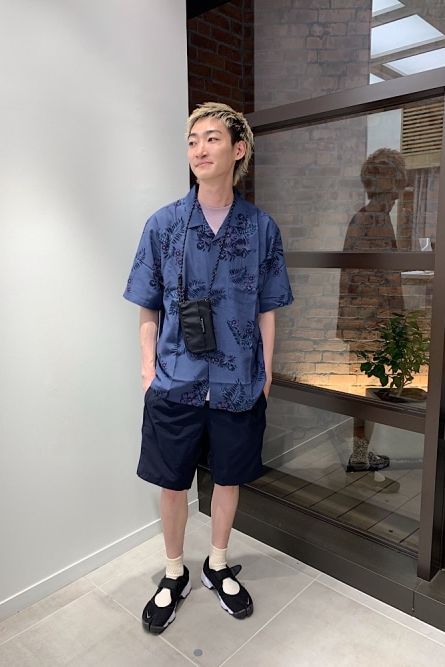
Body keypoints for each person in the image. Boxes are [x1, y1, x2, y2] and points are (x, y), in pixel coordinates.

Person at [123, 102, 293, 634]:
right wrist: (148, 372)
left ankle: (218, 564)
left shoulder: (261, 228)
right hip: (175, 381)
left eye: (212, 138)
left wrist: (266, 373)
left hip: (238, 382)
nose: (199, 148)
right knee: (172, 481)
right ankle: (174, 572)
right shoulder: (164, 225)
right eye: (193, 140)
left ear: (238, 149)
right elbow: (147, 305)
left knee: (229, 477)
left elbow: (267, 308)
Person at [336, 147, 407, 472]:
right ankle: (360, 455)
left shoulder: (367, 218)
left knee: (367, 389)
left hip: (365, 324)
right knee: (370, 391)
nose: (398, 194)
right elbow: (381, 281)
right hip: (372, 325)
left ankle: (361, 452)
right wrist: (396, 322)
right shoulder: (373, 220)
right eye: (397, 185)